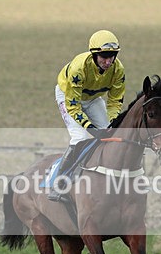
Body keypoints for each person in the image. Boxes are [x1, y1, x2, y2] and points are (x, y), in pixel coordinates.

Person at [48, 30, 125, 201]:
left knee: (109, 134)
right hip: (69, 97)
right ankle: (59, 182)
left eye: (112, 56)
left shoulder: (118, 69)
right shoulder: (78, 68)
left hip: (93, 99)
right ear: (94, 55)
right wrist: (90, 127)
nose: (108, 61)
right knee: (81, 137)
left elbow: (115, 101)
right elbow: (74, 106)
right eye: (104, 56)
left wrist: (112, 122)